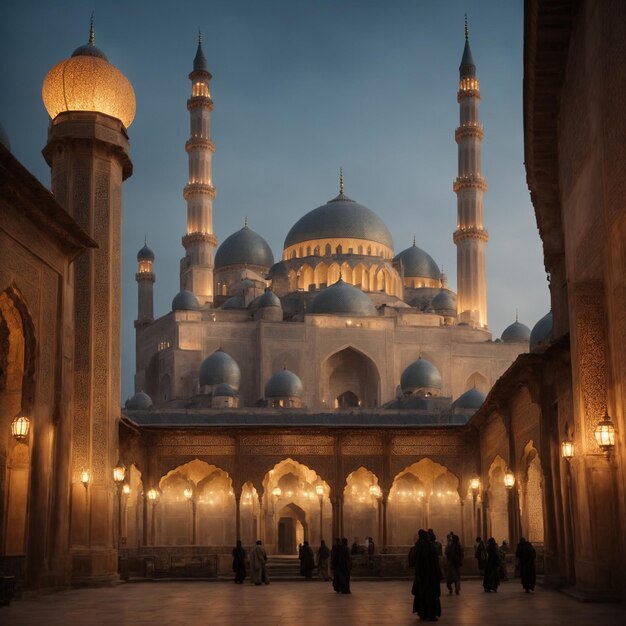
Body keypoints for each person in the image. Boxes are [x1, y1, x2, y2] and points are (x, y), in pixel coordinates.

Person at [412, 528, 441, 621]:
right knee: (431, 594)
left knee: (422, 594)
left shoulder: (417, 545)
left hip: (421, 575)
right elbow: (434, 560)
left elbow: (415, 561)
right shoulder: (430, 545)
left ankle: (422, 613)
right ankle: (431, 614)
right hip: (430, 575)